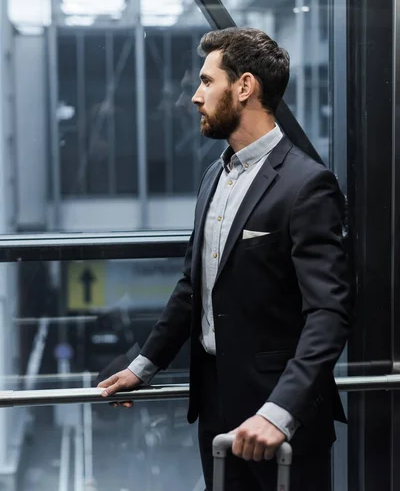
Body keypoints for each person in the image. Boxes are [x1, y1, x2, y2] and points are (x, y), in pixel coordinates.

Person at [97, 27, 352, 491]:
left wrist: (280, 413)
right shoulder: (215, 175)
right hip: (216, 408)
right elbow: (194, 286)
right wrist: (143, 366)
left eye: (206, 81)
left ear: (244, 86)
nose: (196, 96)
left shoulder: (307, 184)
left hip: (280, 421)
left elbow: (329, 314)